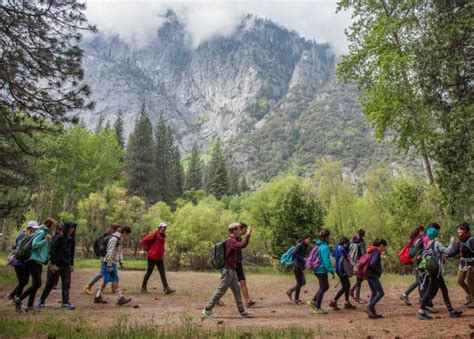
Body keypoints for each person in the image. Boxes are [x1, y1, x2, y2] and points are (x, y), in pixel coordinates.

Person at [202, 223, 253, 318]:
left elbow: (243, 244)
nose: (240, 231)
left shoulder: (233, 240)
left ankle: (242, 312)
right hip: (227, 270)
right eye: (238, 229)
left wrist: (247, 236)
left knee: (237, 290)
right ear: (234, 231)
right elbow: (242, 245)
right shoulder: (230, 241)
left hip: (231, 270)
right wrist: (247, 235)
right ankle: (207, 310)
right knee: (220, 290)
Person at [416, 227, 462, 320]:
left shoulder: (426, 244)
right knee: (430, 290)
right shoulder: (436, 243)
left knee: (444, 289)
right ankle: (420, 311)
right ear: (436, 234)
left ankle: (451, 310)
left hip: (432, 270)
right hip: (436, 271)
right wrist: (452, 242)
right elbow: (448, 251)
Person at [14, 218, 55, 312]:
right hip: (33, 260)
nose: (54, 227)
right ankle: (18, 299)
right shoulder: (42, 232)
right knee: (38, 283)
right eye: (53, 225)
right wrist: (45, 240)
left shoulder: (46, 233)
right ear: (48, 223)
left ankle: (30, 306)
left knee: (35, 284)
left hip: (38, 261)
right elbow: (34, 245)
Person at [38, 221, 77, 310]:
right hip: (57, 265)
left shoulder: (71, 239)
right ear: (66, 228)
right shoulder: (59, 238)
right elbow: (53, 251)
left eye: (73, 228)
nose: (72, 230)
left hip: (66, 265)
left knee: (66, 284)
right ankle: (42, 301)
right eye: (71, 228)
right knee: (50, 284)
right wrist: (53, 264)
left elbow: (71, 253)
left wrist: (71, 264)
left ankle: (65, 303)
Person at [94, 226, 132, 306]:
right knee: (115, 279)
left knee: (106, 279)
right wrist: (109, 265)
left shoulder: (118, 239)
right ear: (124, 232)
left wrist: (121, 262)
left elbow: (119, 251)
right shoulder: (114, 239)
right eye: (127, 235)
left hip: (110, 262)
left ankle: (97, 296)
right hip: (110, 262)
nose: (127, 237)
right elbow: (110, 252)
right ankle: (120, 298)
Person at [84, 224, 120, 294]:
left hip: (107, 257)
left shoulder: (113, 236)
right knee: (102, 273)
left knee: (110, 271)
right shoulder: (109, 236)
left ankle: (113, 288)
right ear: (113, 229)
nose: (119, 231)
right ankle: (88, 287)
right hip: (104, 257)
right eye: (118, 230)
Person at [140, 222, 175, 295]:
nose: (164, 228)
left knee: (162, 272)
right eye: (163, 227)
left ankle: (166, 288)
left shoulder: (163, 235)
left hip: (159, 257)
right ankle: (143, 287)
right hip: (152, 257)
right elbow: (144, 241)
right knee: (149, 272)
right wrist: (147, 250)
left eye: (165, 227)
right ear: (159, 228)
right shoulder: (155, 234)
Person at [8, 221, 39, 302]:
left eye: (36, 229)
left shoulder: (32, 236)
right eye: (34, 229)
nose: (35, 230)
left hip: (27, 263)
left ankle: (12, 296)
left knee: (25, 281)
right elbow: (21, 248)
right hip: (19, 262)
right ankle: (16, 298)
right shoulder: (21, 236)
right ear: (29, 228)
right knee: (22, 281)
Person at [309, 229, 335, 315]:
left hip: (317, 269)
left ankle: (313, 301)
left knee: (325, 287)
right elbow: (326, 261)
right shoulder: (324, 247)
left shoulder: (318, 245)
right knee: (323, 287)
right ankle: (317, 307)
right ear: (327, 237)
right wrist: (331, 271)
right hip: (321, 270)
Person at [400, 225, 425, 306]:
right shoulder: (419, 240)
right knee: (418, 281)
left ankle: (421, 299)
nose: (424, 233)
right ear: (420, 231)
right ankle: (405, 294)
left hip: (414, 262)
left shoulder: (414, 240)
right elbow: (416, 251)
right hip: (416, 261)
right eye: (423, 231)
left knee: (420, 281)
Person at [330, 237, 356, 311]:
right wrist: (354, 266)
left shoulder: (337, 248)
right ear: (343, 243)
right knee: (345, 286)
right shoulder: (342, 249)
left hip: (338, 269)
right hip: (341, 270)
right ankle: (333, 301)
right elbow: (348, 258)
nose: (347, 245)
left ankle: (346, 302)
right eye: (346, 244)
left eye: (347, 244)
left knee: (347, 285)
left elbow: (333, 255)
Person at [452, 222, 474, 308]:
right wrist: (446, 255)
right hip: (463, 263)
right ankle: (469, 295)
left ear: (465, 230)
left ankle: (473, 299)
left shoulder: (472, 240)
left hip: (472, 264)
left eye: (460, 229)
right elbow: (455, 251)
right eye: (458, 229)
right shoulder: (460, 240)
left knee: (470, 281)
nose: (458, 231)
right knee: (460, 280)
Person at [365, 239, 387, 319]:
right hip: (372, 275)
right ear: (381, 245)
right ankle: (369, 307)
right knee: (381, 293)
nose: (383, 248)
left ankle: (372, 312)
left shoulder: (370, 250)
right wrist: (379, 270)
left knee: (374, 292)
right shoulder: (377, 252)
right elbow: (372, 264)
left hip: (367, 274)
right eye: (384, 246)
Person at [286, 235, 311, 305]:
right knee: (300, 283)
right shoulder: (300, 245)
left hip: (300, 266)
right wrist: (302, 258)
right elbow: (294, 253)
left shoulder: (304, 246)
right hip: (297, 266)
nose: (309, 241)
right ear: (305, 239)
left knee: (303, 282)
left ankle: (290, 291)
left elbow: (300, 255)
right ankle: (296, 299)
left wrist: (304, 260)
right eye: (308, 239)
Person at [349, 229, 367, 303]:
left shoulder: (352, 241)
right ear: (363, 235)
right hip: (359, 263)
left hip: (353, 262)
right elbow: (363, 254)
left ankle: (352, 291)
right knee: (360, 278)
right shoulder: (362, 243)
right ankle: (357, 297)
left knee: (360, 278)